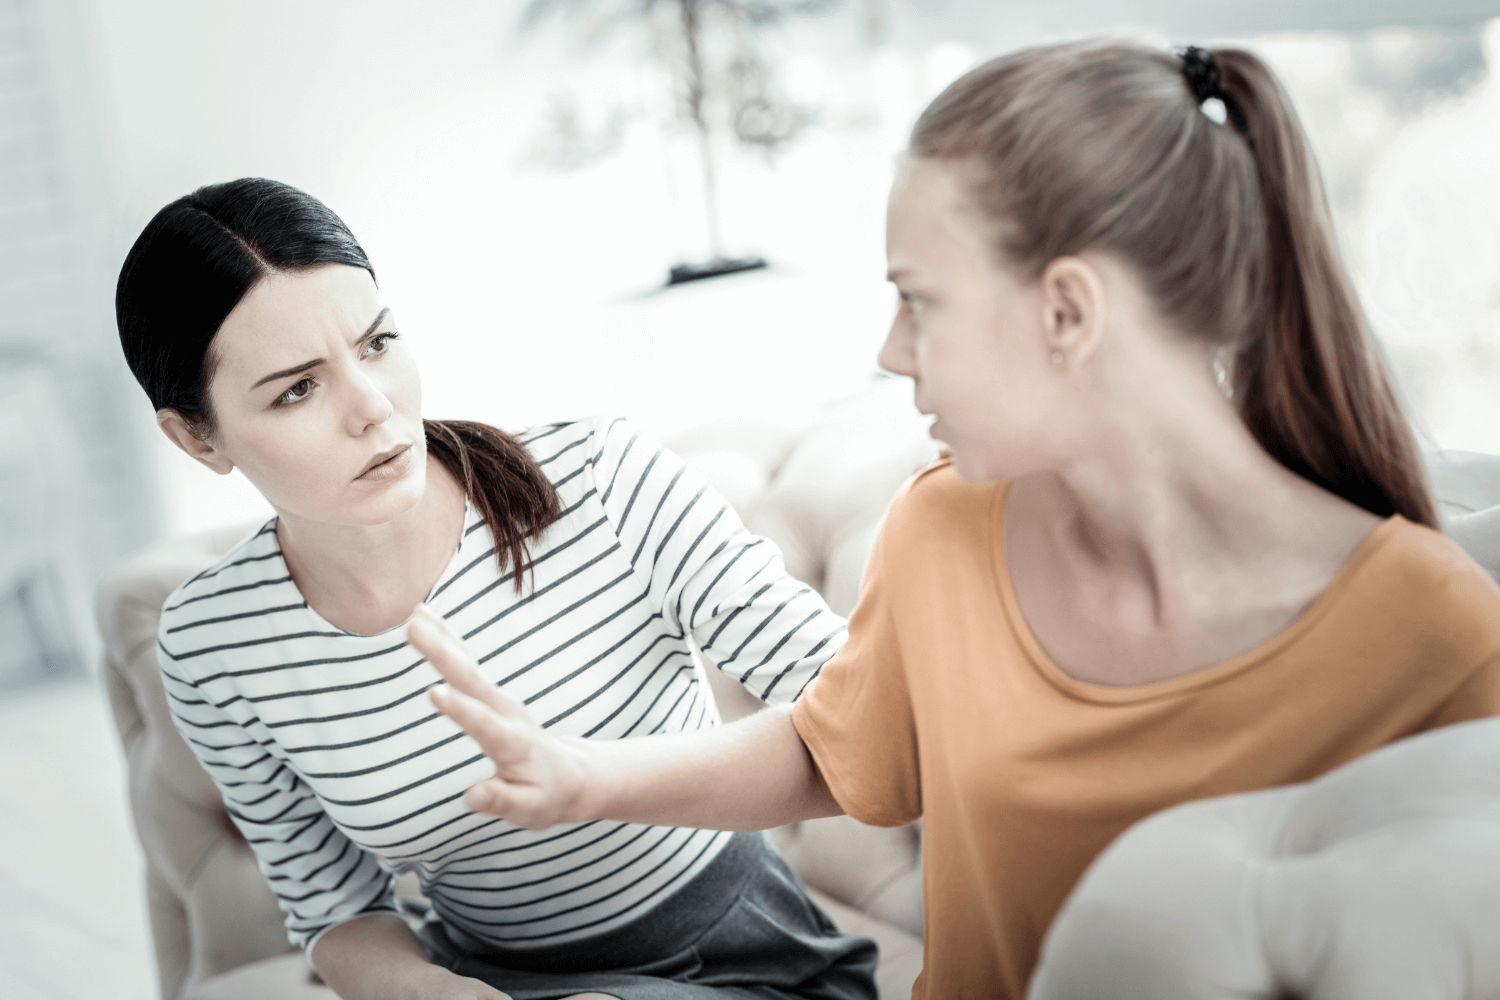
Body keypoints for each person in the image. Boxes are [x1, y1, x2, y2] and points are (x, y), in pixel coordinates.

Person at [406, 42, 1500, 999]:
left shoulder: (1433, 632)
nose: (891, 352)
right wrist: (582, 778)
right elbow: (842, 752)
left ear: (1068, 310)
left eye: (917, 299)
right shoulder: (943, 531)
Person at [117, 178, 877, 1000]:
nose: (374, 409)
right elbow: (332, 910)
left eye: (376, 344)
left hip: (747, 954)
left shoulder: (603, 480)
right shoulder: (214, 644)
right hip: (489, 977)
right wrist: (439, 993)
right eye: (298, 389)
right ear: (197, 436)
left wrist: (591, 776)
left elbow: (870, 729)